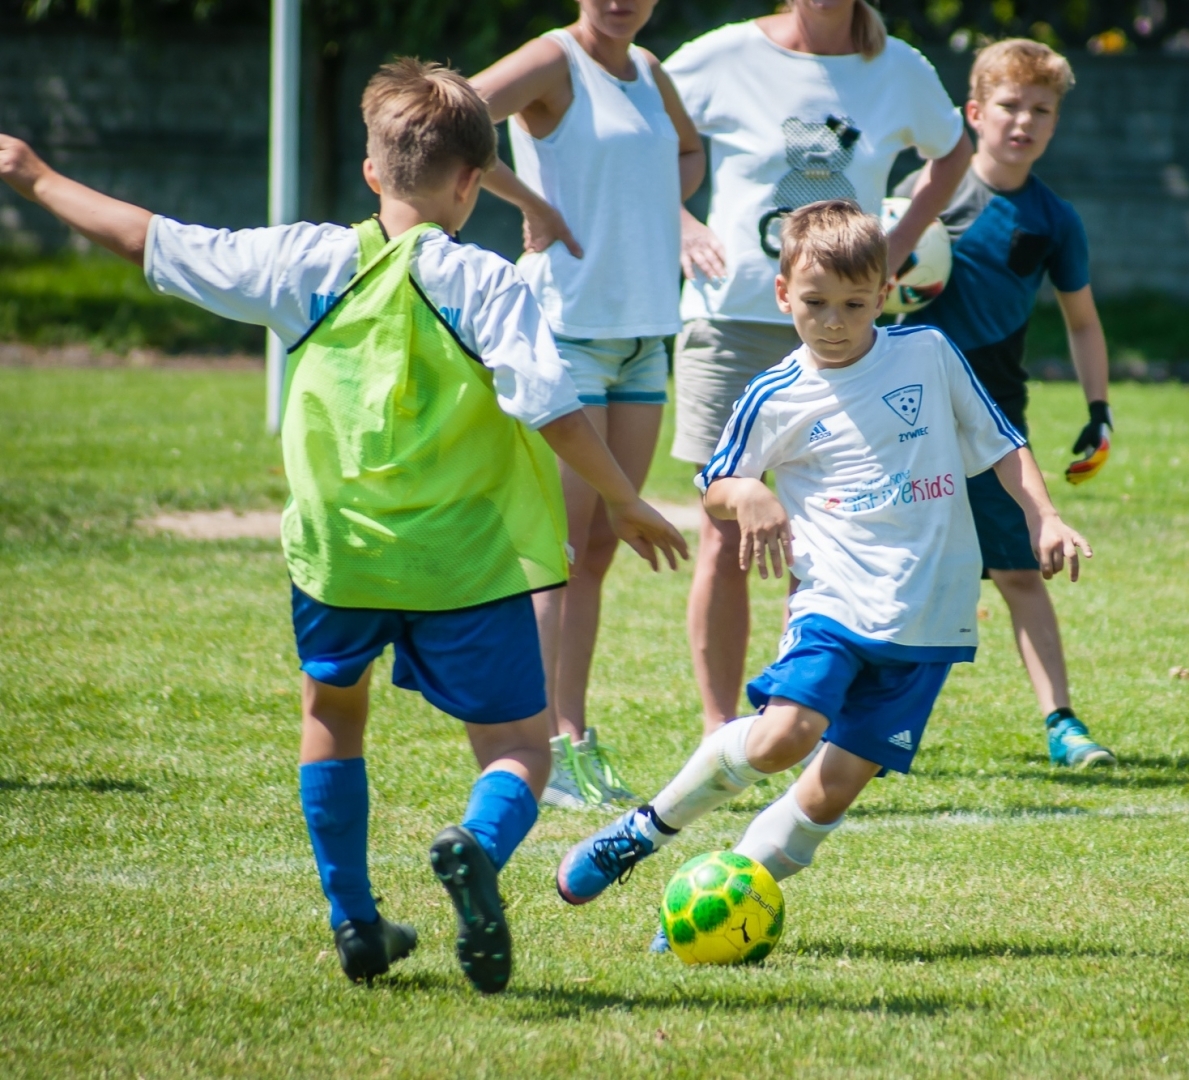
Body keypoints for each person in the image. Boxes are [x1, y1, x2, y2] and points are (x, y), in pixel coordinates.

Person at [0, 59, 688, 993]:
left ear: (372, 173)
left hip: (340, 558)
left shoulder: (307, 262)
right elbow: (552, 408)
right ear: (472, 182)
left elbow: (154, 242)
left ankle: (355, 921)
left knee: (332, 713)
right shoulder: (486, 282)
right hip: (466, 563)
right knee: (521, 748)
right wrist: (623, 498)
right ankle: (477, 846)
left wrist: (38, 175)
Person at [550, 200, 1091, 942]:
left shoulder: (928, 353)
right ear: (783, 295)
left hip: (930, 614)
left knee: (832, 792)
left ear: (887, 293)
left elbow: (1000, 441)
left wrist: (1044, 516)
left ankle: (717, 903)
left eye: (854, 305)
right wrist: (748, 494)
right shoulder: (774, 394)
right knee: (785, 736)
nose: (834, 322)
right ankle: (643, 830)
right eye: (815, 303)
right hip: (833, 600)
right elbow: (716, 487)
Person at [662, 0, 974, 736]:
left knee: (831, 528)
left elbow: (953, 153)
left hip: (851, 338)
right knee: (727, 530)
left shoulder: (897, 66)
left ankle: (800, 710)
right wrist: (680, 221)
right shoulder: (723, 54)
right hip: (732, 319)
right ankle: (721, 729)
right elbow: (644, 135)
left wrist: (895, 246)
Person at [468, 0, 707, 809]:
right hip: (568, 331)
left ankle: (569, 733)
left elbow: (689, 152)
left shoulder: (648, 69)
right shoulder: (552, 59)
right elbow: (450, 114)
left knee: (602, 544)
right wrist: (528, 201)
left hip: (645, 333)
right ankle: (533, 746)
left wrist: (654, 207)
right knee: (558, 551)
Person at [898, 38, 1115, 769]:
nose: (1024, 121)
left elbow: (1082, 322)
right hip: (904, 409)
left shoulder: (1055, 219)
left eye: (1041, 110)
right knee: (900, 568)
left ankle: (1063, 723)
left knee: (1021, 570)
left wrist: (1098, 407)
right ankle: (858, 715)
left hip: (992, 413)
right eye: (1009, 106)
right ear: (974, 112)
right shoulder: (926, 193)